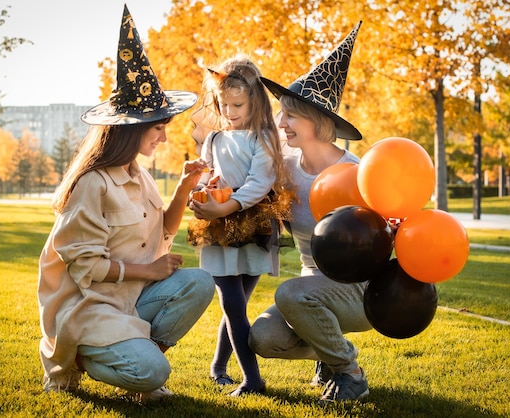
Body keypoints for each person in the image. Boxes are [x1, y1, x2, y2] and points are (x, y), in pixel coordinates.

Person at [37, 5, 214, 402]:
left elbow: (162, 233)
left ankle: (139, 356)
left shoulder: (138, 173)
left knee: (199, 283)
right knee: (152, 372)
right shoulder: (92, 184)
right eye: (159, 128)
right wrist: (148, 270)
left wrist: (185, 186)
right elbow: (87, 266)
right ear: (131, 132)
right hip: (91, 309)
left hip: (130, 300)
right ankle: (80, 359)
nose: (164, 139)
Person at [248, 22, 373, 404]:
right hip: (311, 287)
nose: (280, 123)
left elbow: (382, 237)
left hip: (358, 291)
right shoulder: (283, 165)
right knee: (262, 338)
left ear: (317, 122)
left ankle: (349, 372)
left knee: (290, 293)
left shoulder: (355, 173)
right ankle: (329, 354)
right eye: (281, 114)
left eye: (290, 116)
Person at [187, 54, 293, 396]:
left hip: (253, 227)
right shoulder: (215, 139)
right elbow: (209, 177)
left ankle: (219, 368)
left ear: (254, 101)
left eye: (237, 104)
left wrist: (226, 208)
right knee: (232, 305)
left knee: (237, 307)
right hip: (218, 231)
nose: (229, 111)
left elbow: (258, 183)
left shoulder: (263, 136)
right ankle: (252, 380)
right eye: (223, 103)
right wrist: (200, 192)